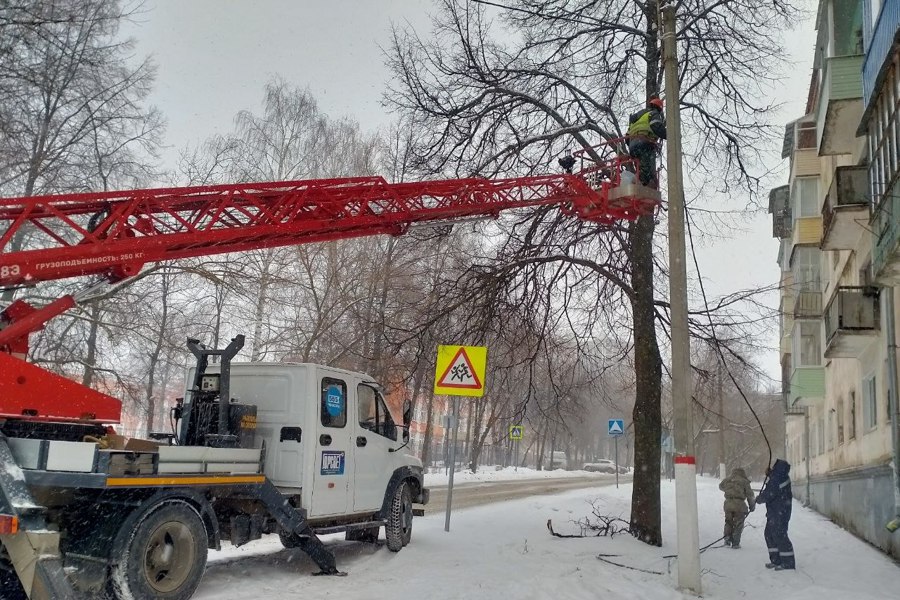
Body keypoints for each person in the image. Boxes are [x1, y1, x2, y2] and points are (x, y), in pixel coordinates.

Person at [756, 459, 795, 570]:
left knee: (779, 535)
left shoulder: (778, 478)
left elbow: (770, 493)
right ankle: (776, 560)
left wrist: (759, 499)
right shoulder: (779, 477)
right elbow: (773, 488)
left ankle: (788, 563)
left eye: (774, 467)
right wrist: (770, 475)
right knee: (769, 534)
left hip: (780, 513)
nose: (772, 468)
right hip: (775, 512)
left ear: (778, 469)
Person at [626, 97, 667, 188]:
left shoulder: (636, 118)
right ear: (659, 108)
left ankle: (637, 182)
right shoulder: (653, 113)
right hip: (644, 143)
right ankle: (642, 185)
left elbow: (627, 138)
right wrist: (668, 135)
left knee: (640, 166)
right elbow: (656, 126)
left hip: (633, 146)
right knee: (646, 169)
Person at [718, 467, 756, 549]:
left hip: (728, 504)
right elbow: (750, 495)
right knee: (738, 524)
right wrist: (752, 506)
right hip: (739, 505)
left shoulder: (728, 480)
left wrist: (729, 489)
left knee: (728, 522)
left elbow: (720, 486)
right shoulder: (745, 482)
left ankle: (727, 540)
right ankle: (735, 543)